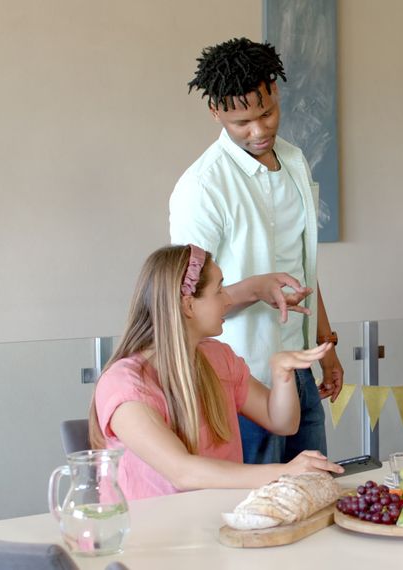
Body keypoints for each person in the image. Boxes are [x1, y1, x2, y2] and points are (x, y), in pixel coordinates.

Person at [170, 37, 343, 465]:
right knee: (257, 512)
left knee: (315, 494)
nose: (259, 130)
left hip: (299, 366)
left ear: (276, 90)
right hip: (239, 379)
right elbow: (183, 302)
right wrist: (255, 288)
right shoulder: (203, 187)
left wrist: (327, 345)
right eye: (241, 122)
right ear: (216, 113)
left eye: (266, 113)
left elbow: (304, 267)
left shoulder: (295, 161)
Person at [89, 245, 343, 500]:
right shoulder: (124, 383)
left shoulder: (218, 358)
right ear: (188, 305)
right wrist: (286, 471)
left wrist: (282, 374)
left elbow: (284, 423)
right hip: (147, 533)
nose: (229, 299)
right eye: (219, 290)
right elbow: (182, 472)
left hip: (211, 520)